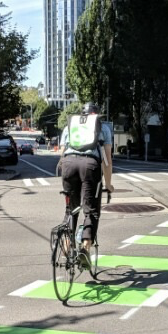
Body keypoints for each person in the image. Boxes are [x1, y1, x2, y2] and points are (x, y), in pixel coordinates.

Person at [59, 102, 114, 266]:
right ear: (97, 115)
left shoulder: (69, 127)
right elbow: (107, 160)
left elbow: (61, 154)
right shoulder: (103, 128)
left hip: (68, 165)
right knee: (91, 211)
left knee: (71, 209)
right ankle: (85, 248)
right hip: (89, 166)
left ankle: (67, 247)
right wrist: (108, 184)